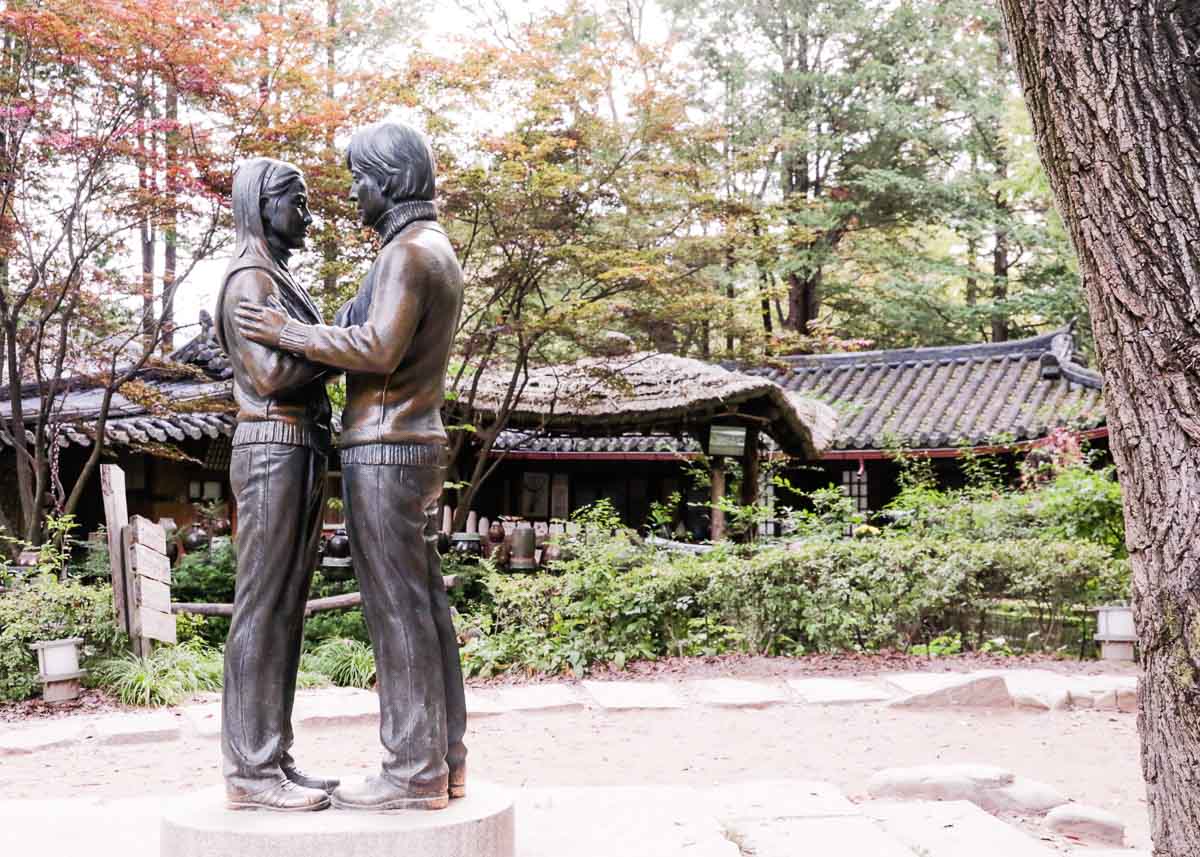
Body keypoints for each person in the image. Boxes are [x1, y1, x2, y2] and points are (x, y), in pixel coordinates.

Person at [237, 122, 467, 812]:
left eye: (360, 180)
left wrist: (289, 332)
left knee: (397, 611)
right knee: (422, 607)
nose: (354, 194)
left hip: (386, 445)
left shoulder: (408, 252)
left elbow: (376, 346)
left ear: (390, 179)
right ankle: (442, 762)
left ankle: (412, 770)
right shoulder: (429, 249)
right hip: (407, 442)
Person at [215, 157, 336, 812]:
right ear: (261, 204)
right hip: (271, 449)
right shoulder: (249, 278)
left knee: (286, 607)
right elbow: (270, 375)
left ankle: (273, 754)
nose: (307, 213)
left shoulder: (278, 279)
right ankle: (249, 768)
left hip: (300, 449)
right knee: (262, 606)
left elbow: (297, 356)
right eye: (298, 199)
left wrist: (315, 341)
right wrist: (335, 346)